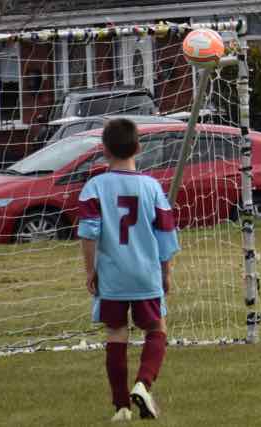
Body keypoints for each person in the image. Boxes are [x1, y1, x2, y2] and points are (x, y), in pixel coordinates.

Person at [78, 118, 180, 421]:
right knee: (156, 329)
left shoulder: (94, 187)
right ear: (138, 148)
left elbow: (89, 233)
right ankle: (143, 384)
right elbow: (165, 234)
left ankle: (122, 406)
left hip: (112, 275)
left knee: (116, 333)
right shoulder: (152, 187)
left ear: (104, 150)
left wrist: (90, 270)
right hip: (145, 273)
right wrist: (166, 272)